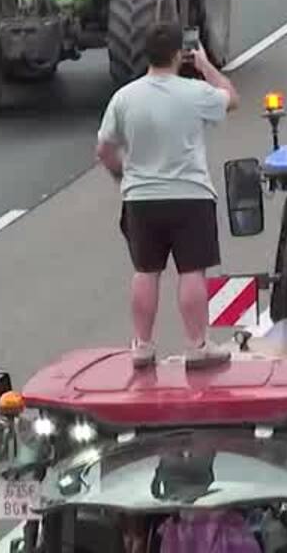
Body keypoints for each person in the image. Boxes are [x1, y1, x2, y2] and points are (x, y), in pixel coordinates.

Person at [96, 21, 241, 368]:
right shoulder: (195, 92)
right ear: (180, 54)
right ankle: (197, 344)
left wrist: (124, 176)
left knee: (146, 271)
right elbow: (232, 98)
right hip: (191, 195)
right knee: (192, 271)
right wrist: (206, 66)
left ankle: (142, 346)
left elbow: (104, 149)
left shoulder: (125, 97)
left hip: (141, 198)